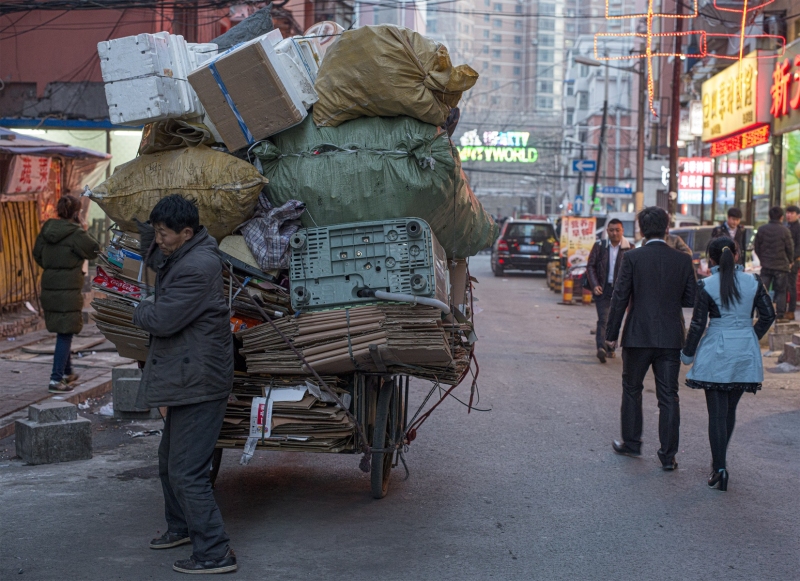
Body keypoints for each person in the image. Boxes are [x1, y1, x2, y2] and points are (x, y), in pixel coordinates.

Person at [132, 195, 236, 575]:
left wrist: (139, 309)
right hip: (186, 375)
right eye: (156, 232)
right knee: (168, 462)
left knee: (187, 472)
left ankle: (215, 552)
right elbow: (157, 260)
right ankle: (181, 528)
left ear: (187, 233)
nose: (159, 239)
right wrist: (150, 236)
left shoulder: (197, 266)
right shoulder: (182, 254)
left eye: (164, 233)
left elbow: (162, 319)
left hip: (201, 380)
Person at [605, 207, 696, 470]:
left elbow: (620, 297)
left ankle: (632, 443)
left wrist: (611, 335)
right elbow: (691, 298)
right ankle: (668, 456)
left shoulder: (632, 257)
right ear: (667, 228)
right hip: (670, 336)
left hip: (637, 335)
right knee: (669, 395)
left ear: (642, 230)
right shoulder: (682, 260)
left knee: (632, 389)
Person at [680, 237, 775, 491]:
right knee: (730, 409)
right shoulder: (753, 281)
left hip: (716, 350)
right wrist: (750, 336)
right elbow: (768, 315)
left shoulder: (706, 284)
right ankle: (719, 461)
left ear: (711, 259)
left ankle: (720, 468)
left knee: (717, 413)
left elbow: (698, 324)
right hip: (744, 351)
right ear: (737, 255)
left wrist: (687, 354)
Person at [32, 195, 99, 394]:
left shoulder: (47, 230)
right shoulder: (76, 233)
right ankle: (55, 379)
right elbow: (94, 250)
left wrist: (53, 267)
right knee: (65, 333)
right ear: (76, 213)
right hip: (68, 290)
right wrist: (84, 229)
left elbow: (37, 254)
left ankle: (68, 372)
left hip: (50, 287)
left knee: (64, 329)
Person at [586, 219, 631, 363]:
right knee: (603, 319)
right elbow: (590, 266)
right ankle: (601, 348)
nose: (614, 233)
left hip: (620, 291)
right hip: (603, 289)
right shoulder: (600, 246)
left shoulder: (630, 248)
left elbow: (634, 271)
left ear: (622, 231)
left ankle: (610, 347)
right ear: (607, 231)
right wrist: (595, 284)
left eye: (617, 230)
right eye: (611, 230)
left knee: (615, 319)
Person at [753, 206, 794, 321]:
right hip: (781, 267)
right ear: (781, 217)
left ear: (769, 216)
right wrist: (790, 261)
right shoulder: (785, 230)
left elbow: (757, 247)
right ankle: (780, 315)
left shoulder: (762, 229)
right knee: (781, 291)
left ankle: (761, 314)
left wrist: (763, 259)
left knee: (763, 291)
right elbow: (789, 248)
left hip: (766, 266)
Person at [785, 205, 800, 320]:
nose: (789, 215)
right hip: (783, 261)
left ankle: (791, 311)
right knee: (782, 286)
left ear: (798, 215)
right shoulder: (785, 226)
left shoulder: (798, 228)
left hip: (794, 261)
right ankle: (782, 309)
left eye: (791, 213)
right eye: (787, 213)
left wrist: (791, 259)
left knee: (791, 286)